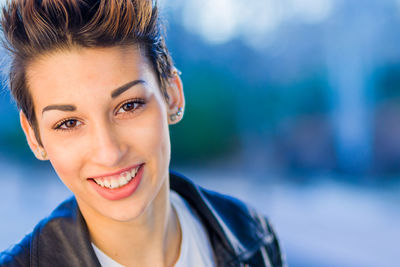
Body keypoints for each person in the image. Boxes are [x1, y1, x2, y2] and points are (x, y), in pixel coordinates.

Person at [0, 0, 285, 266]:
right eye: (69, 123)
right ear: (34, 136)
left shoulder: (253, 237)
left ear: (172, 94)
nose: (109, 153)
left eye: (128, 106)